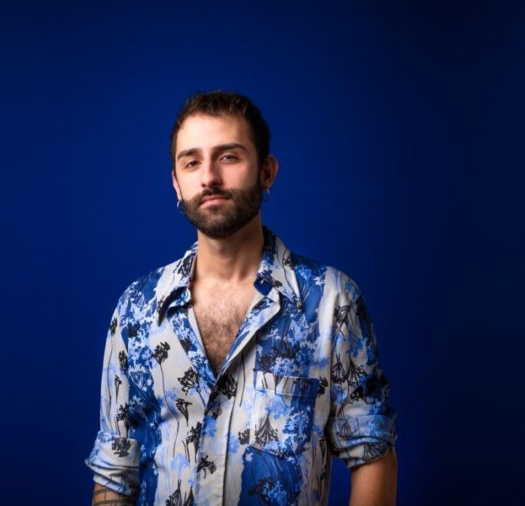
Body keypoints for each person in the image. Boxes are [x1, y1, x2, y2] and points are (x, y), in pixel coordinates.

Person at [86, 91, 397, 506]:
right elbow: (115, 473)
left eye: (228, 157)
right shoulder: (137, 310)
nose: (209, 177)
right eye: (192, 162)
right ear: (176, 183)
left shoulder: (330, 303)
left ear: (267, 172)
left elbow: (372, 454)